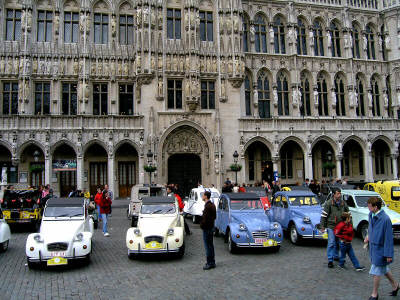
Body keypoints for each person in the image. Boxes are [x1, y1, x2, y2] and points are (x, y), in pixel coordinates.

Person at [365, 197, 399, 300]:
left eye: (369, 206)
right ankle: (395, 285)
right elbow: (370, 228)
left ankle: (374, 294)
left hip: (381, 249)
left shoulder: (385, 219)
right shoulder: (371, 215)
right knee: (383, 269)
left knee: (376, 270)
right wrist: (368, 236)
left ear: (375, 207)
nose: (368, 207)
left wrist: (389, 254)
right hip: (373, 248)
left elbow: (388, 238)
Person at [320, 187, 349, 268]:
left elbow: (348, 213)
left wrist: (349, 224)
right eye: (338, 193)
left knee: (340, 243)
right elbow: (323, 215)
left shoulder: (343, 203)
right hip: (331, 226)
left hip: (341, 227)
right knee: (331, 243)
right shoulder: (329, 203)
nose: (340, 195)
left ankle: (336, 256)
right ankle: (330, 260)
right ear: (333, 195)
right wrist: (322, 226)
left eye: (340, 193)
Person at [200, 191, 216, 270]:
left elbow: (205, 219)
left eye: (203, 195)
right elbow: (214, 217)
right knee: (211, 245)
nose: (202, 196)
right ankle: (212, 262)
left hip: (207, 228)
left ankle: (209, 263)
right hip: (211, 227)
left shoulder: (207, 206)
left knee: (207, 246)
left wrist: (202, 225)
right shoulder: (212, 205)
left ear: (206, 196)